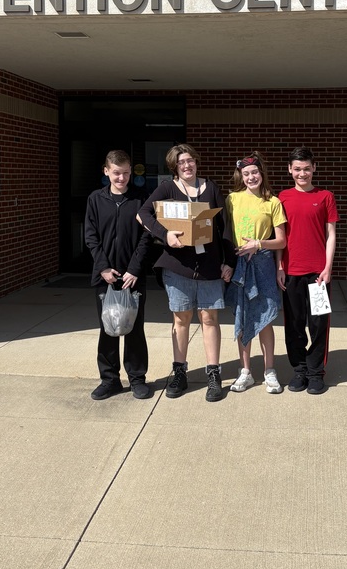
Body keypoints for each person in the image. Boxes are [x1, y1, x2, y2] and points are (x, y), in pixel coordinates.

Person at [137, 144, 235, 402]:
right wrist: (164, 235)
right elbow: (142, 213)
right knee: (181, 320)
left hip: (209, 267)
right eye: (181, 163)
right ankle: (179, 372)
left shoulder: (210, 188)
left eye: (190, 161)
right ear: (175, 167)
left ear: (196, 162)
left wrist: (229, 262)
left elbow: (224, 229)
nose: (187, 166)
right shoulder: (168, 188)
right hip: (178, 268)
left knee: (210, 319)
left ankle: (214, 373)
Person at [85, 150, 153, 401]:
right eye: (116, 173)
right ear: (106, 171)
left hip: (132, 276)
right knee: (108, 327)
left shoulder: (140, 199)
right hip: (105, 275)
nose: (121, 178)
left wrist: (135, 269)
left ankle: (137, 379)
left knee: (134, 328)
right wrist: (103, 267)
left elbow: (147, 237)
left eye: (125, 173)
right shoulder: (95, 199)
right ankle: (109, 380)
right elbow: (91, 236)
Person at [277, 146, 339, 394]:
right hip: (290, 272)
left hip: (317, 275)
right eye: (297, 169)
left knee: (318, 325)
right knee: (293, 325)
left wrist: (327, 267)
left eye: (306, 168)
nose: (302, 173)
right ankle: (299, 370)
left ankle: (316, 373)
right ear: (290, 170)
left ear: (314, 168)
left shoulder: (325, 196)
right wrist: (279, 267)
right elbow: (279, 236)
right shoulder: (282, 197)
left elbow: (331, 234)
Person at [225, 152, 287, 393]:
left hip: (262, 264)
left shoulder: (273, 202)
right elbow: (226, 235)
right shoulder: (232, 199)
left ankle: (270, 371)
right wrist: (227, 262)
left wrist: (259, 244)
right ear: (241, 175)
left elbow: (281, 241)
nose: (251, 177)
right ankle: (245, 372)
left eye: (255, 172)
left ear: (262, 174)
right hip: (240, 263)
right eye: (246, 173)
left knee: (265, 319)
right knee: (242, 318)